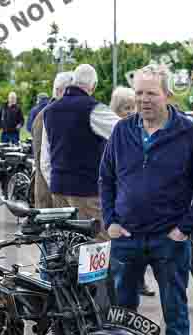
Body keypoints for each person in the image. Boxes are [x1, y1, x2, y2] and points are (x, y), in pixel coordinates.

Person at [99, 64, 193, 335]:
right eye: (139, 93)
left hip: (170, 241)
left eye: (151, 93)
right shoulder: (122, 131)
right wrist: (110, 220)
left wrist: (184, 229)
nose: (144, 99)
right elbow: (106, 178)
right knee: (121, 312)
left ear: (167, 94)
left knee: (175, 312)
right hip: (126, 238)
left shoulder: (190, 133)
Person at [42, 63, 119, 238]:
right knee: (99, 243)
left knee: (68, 242)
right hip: (87, 190)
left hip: (58, 188)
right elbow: (125, 133)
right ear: (93, 85)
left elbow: (45, 156)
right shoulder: (94, 109)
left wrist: (53, 180)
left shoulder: (50, 111)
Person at [108, 85, 155, 298]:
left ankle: (139, 281)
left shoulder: (140, 128)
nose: (128, 111)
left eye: (131, 107)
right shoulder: (114, 129)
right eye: (124, 107)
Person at [32, 72, 74, 209]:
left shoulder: (53, 113)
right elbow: (44, 162)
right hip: (50, 195)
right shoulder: (47, 116)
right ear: (58, 91)